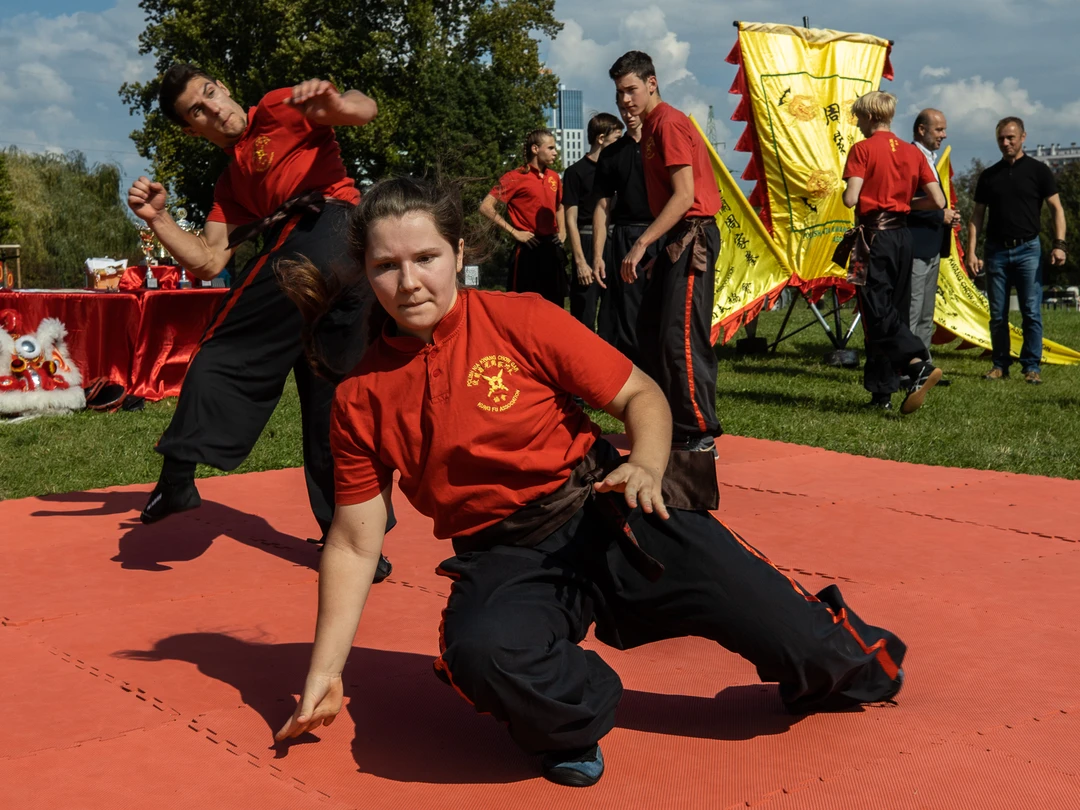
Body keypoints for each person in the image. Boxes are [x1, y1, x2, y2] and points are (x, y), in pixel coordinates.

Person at [273, 176, 907, 789]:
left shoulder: (520, 318)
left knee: (831, 664)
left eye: (426, 258)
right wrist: (325, 672)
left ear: (459, 253)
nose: (409, 282)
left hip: (612, 507)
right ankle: (562, 704)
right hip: (506, 555)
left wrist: (648, 465)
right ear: (365, 269)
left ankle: (832, 647)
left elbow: (641, 395)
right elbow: (355, 543)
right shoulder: (359, 397)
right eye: (387, 266)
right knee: (488, 654)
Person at [127, 64, 393, 578]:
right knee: (331, 406)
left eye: (210, 93)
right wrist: (159, 220)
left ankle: (179, 474)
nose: (213, 108)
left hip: (329, 231)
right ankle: (360, 547)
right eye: (196, 111)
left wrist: (334, 106)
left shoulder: (275, 106)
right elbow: (207, 260)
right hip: (349, 264)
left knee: (225, 344)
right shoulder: (230, 183)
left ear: (224, 86)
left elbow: (366, 107)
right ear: (191, 129)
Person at [608, 51, 721, 457]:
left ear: (651, 83)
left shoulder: (669, 123)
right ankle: (668, 421)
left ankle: (699, 432)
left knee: (681, 338)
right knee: (653, 332)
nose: (624, 100)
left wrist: (641, 244)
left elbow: (686, 196)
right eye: (619, 92)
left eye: (631, 90)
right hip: (677, 237)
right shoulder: (652, 127)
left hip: (693, 235)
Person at [838, 91, 946, 413]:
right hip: (904, 236)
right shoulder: (913, 154)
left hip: (875, 238)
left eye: (858, 117)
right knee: (893, 310)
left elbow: (850, 199)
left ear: (870, 116)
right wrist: (903, 205)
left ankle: (918, 364)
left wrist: (850, 187)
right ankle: (881, 392)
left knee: (876, 311)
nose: (856, 124)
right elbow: (938, 201)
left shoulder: (862, 149)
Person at [966, 117, 1067, 385]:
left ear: (1023, 137)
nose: (1006, 143)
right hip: (995, 251)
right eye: (1001, 138)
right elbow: (976, 216)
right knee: (997, 314)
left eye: (1011, 137)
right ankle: (1000, 364)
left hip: (1028, 250)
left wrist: (1059, 245)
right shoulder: (989, 175)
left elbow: (1057, 209)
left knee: (1031, 311)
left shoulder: (1039, 171)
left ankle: (1031, 366)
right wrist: (971, 252)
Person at [592, 103, 656, 366]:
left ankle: (665, 376)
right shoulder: (611, 155)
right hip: (625, 234)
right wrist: (597, 255)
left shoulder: (662, 144)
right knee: (629, 314)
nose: (628, 113)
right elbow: (602, 206)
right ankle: (637, 380)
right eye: (622, 107)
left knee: (664, 310)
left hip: (662, 231)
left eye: (632, 106)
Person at [479, 130, 567, 306]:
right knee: (523, 306)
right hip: (528, 250)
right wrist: (514, 232)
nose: (555, 152)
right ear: (535, 149)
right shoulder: (514, 177)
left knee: (555, 305)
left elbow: (560, 206)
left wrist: (563, 232)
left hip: (552, 248)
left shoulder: (554, 177)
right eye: (550, 148)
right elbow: (485, 207)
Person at [907, 109, 961, 384]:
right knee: (913, 311)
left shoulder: (928, 159)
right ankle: (909, 369)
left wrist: (945, 217)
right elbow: (903, 206)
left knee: (926, 312)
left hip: (930, 246)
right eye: (938, 129)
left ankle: (925, 369)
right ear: (921, 130)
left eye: (944, 129)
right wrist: (940, 215)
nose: (944, 134)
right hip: (915, 246)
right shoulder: (910, 158)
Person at [564, 113, 623, 337]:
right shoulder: (575, 172)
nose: (620, 144)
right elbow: (570, 219)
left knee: (613, 312)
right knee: (584, 313)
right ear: (600, 138)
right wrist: (580, 261)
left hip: (615, 242)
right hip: (586, 241)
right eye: (616, 138)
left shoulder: (617, 171)